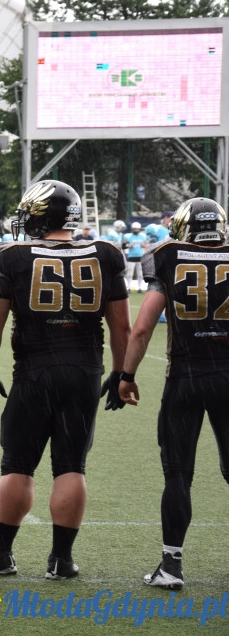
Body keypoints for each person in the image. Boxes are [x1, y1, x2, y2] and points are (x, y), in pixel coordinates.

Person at [0, 180, 131, 581]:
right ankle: (61, 559)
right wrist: (121, 372)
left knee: (18, 465)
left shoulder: (13, 256)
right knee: (71, 466)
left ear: (42, 216)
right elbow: (122, 327)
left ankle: (1, 553)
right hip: (84, 370)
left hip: (35, 370)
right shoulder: (107, 254)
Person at [118, 198, 229, 590]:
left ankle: (171, 566)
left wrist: (126, 375)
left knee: (178, 473)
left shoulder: (168, 256)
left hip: (186, 377)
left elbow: (143, 328)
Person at [123, 221, 148, 292]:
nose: (136, 230)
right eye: (134, 229)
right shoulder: (128, 236)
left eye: (137, 229)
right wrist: (129, 246)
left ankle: (139, 288)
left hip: (140, 257)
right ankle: (128, 288)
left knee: (140, 274)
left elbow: (147, 245)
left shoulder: (143, 236)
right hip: (131, 257)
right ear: (132, 229)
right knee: (129, 274)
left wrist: (144, 246)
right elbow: (123, 246)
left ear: (139, 229)